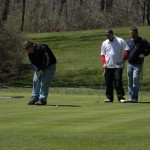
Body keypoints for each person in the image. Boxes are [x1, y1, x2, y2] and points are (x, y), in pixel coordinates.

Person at [22, 41, 57, 105]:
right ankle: (34, 99)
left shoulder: (42, 48)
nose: (28, 52)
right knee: (35, 81)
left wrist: (42, 69)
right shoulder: (29, 52)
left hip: (49, 65)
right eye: (26, 50)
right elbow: (32, 63)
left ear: (32, 46)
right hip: (39, 67)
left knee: (44, 82)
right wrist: (38, 70)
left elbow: (47, 59)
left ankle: (42, 100)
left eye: (28, 50)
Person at [100, 30, 130, 103]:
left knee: (118, 81)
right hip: (108, 66)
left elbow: (127, 50)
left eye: (109, 34)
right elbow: (102, 55)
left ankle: (121, 97)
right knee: (108, 82)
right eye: (106, 35)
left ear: (113, 34)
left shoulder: (120, 40)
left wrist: (124, 59)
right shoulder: (105, 43)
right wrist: (104, 63)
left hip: (118, 66)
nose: (108, 36)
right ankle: (109, 98)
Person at [126, 27, 150, 103]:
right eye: (130, 33)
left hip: (138, 64)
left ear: (136, 33)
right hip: (130, 63)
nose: (131, 34)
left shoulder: (142, 41)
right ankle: (130, 97)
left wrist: (144, 54)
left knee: (135, 79)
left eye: (133, 33)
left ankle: (134, 97)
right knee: (130, 81)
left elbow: (149, 48)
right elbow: (126, 52)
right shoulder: (129, 42)